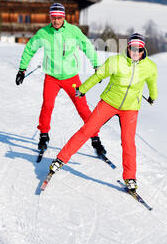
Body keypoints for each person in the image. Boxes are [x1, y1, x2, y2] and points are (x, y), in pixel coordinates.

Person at [47, 33, 158, 192]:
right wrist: (82, 89)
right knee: (87, 130)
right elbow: (98, 75)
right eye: (132, 48)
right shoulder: (116, 61)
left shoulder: (150, 67)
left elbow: (152, 83)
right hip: (109, 103)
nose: (135, 52)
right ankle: (60, 159)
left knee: (128, 142)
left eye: (139, 50)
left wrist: (153, 96)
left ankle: (130, 177)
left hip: (131, 108)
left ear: (143, 50)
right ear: (128, 48)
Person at [15, 2, 106, 156]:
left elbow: (87, 47)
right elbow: (30, 49)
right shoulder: (44, 33)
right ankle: (44, 135)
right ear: (50, 17)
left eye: (59, 17)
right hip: (52, 77)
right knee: (47, 106)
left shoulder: (73, 31)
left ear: (64, 17)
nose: (56, 21)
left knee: (82, 108)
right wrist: (22, 69)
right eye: (53, 17)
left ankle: (95, 137)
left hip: (71, 78)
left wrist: (97, 66)